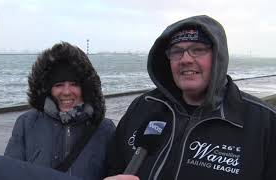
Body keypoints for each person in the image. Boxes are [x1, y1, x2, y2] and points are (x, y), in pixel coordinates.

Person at [106, 15, 276, 180]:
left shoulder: (264, 123)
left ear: (219, 57)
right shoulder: (142, 107)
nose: (185, 59)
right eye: (176, 51)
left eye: (198, 50)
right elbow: (111, 167)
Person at [4, 42, 115, 180]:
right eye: (59, 85)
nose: (67, 92)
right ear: (48, 89)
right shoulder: (26, 124)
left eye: (74, 84)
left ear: (85, 87)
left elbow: (114, 172)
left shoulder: (105, 128)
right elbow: (9, 171)